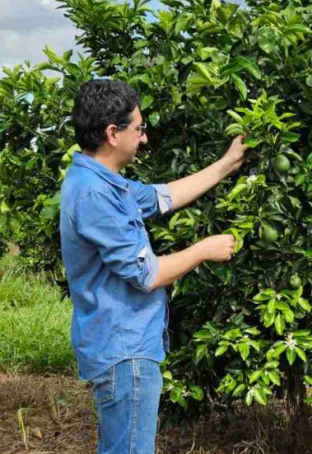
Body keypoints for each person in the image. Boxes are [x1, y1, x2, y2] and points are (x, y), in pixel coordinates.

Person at [60, 79, 248, 454]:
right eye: (139, 129)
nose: (144, 138)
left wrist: (227, 164)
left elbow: (164, 196)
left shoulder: (103, 182)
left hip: (123, 347)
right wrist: (203, 249)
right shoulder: (96, 195)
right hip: (124, 353)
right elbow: (148, 275)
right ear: (113, 133)